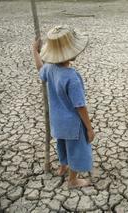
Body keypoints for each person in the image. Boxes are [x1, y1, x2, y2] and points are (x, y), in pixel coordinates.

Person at [32, 25, 94, 188]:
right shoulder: (71, 78)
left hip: (57, 120)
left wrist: (35, 51)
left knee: (62, 144)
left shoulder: (50, 68)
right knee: (76, 149)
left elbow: (40, 68)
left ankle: (62, 167)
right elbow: (80, 106)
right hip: (72, 123)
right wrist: (89, 128)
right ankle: (72, 180)